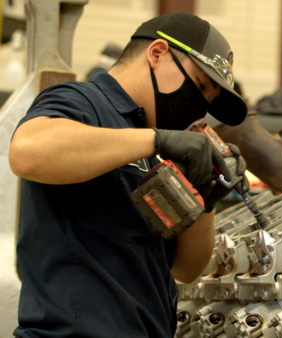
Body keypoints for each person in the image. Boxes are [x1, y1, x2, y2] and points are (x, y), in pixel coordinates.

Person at [8, 12, 248, 338]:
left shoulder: (155, 147)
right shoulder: (83, 102)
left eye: (209, 101)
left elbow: (186, 269)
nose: (200, 106)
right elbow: (27, 152)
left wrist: (206, 198)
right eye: (200, 86)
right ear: (158, 54)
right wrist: (156, 140)